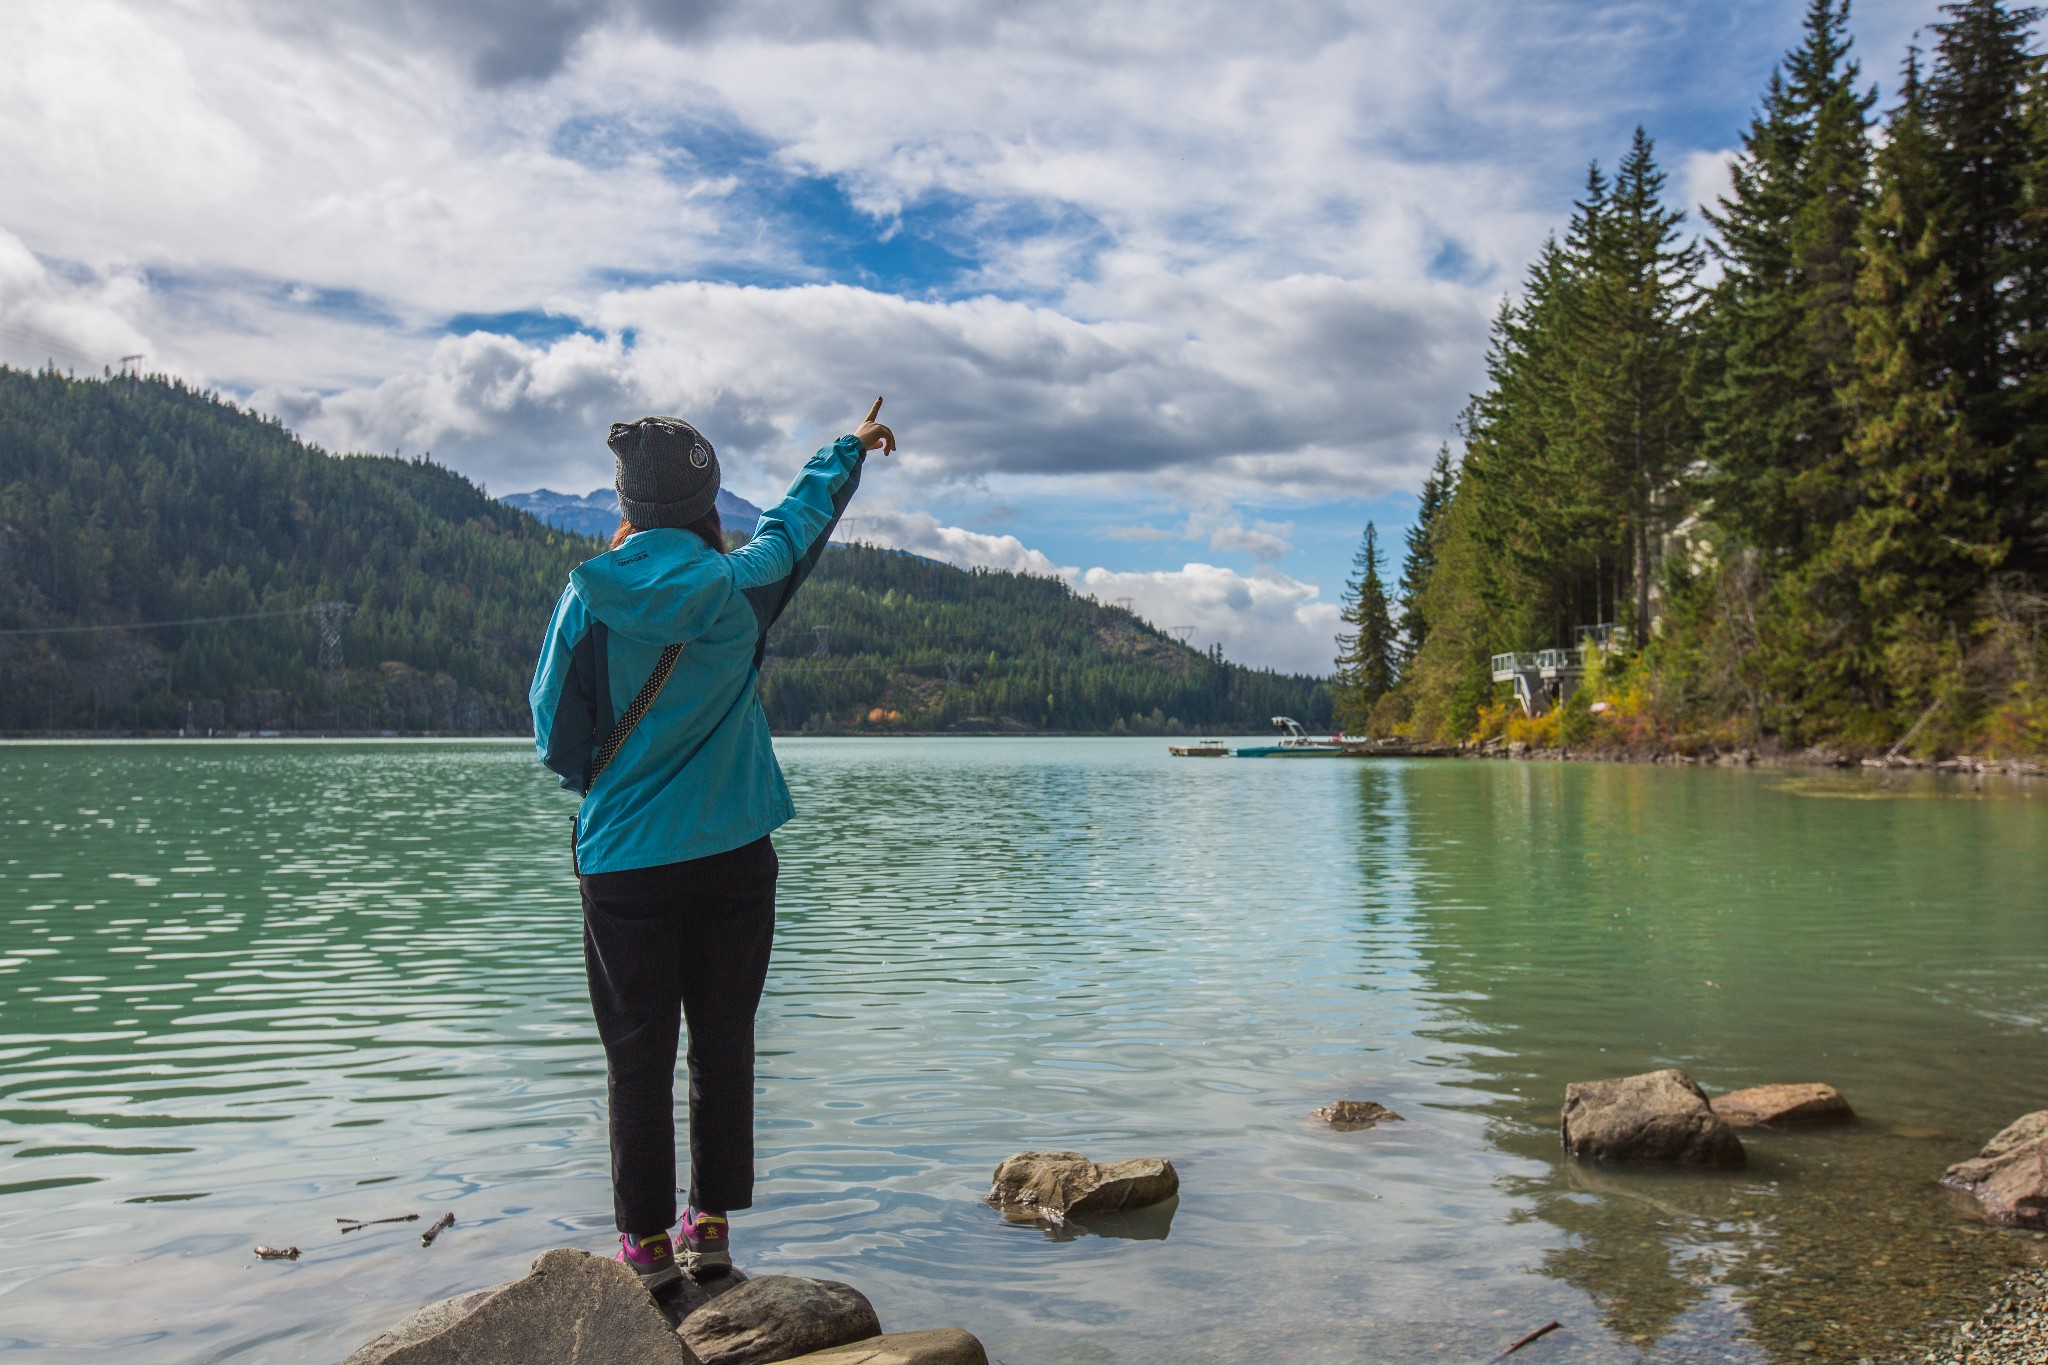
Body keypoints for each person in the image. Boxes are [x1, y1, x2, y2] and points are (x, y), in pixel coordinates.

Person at [529, 399, 897, 1290]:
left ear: (627, 506)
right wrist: (846, 449)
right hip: (735, 854)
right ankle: (712, 1230)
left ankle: (646, 1249)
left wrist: (617, 787)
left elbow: (553, 732)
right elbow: (796, 525)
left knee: (636, 1054)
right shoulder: (742, 583)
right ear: (706, 504)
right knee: (723, 1042)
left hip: (624, 863)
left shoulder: (586, 598)